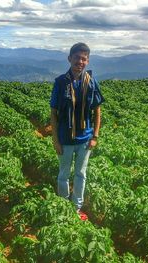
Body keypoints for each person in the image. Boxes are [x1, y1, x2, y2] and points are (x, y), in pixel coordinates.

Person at [50, 42, 104, 220]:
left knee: (81, 174)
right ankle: (63, 206)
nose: (80, 61)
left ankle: (76, 208)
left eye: (83, 58)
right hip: (65, 139)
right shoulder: (60, 82)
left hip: (85, 139)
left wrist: (95, 136)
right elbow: (54, 113)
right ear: (69, 58)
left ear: (87, 61)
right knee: (63, 174)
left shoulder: (91, 82)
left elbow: (97, 110)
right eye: (77, 58)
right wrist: (55, 140)